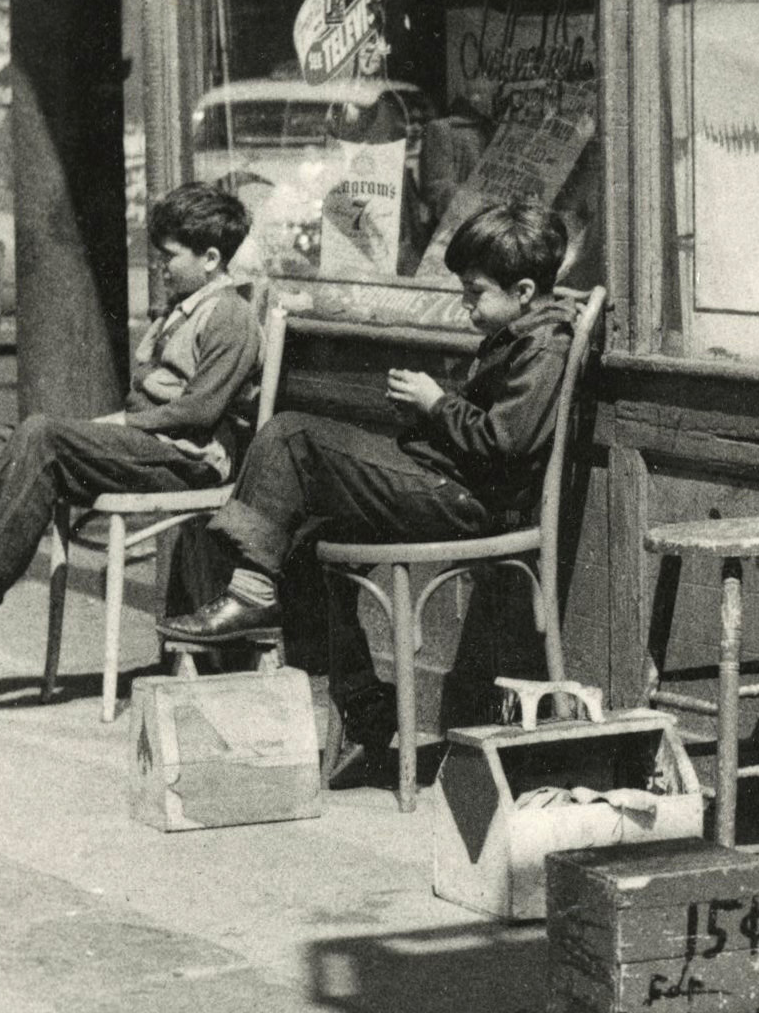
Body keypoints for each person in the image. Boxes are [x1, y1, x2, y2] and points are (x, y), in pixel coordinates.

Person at [158, 196, 575, 749]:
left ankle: (251, 592)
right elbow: (489, 431)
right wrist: (430, 411)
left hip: (466, 501)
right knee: (301, 540)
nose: (465, 304)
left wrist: (436, 405)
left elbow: (504, 443)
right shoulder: (521, 334)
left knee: (291, 435)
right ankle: (363, 705)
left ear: (523, 293)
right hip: (449, 484)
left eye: (476, 293)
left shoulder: (545, 344)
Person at [0, 182, 261, 608]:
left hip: (188, 459)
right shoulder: (183, 308)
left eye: (170, 256)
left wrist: (120, 423)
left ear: (211, 259)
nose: (161, 267)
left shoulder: (230, 315)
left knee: (43, 434)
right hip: (150, 448)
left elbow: (199, 410)